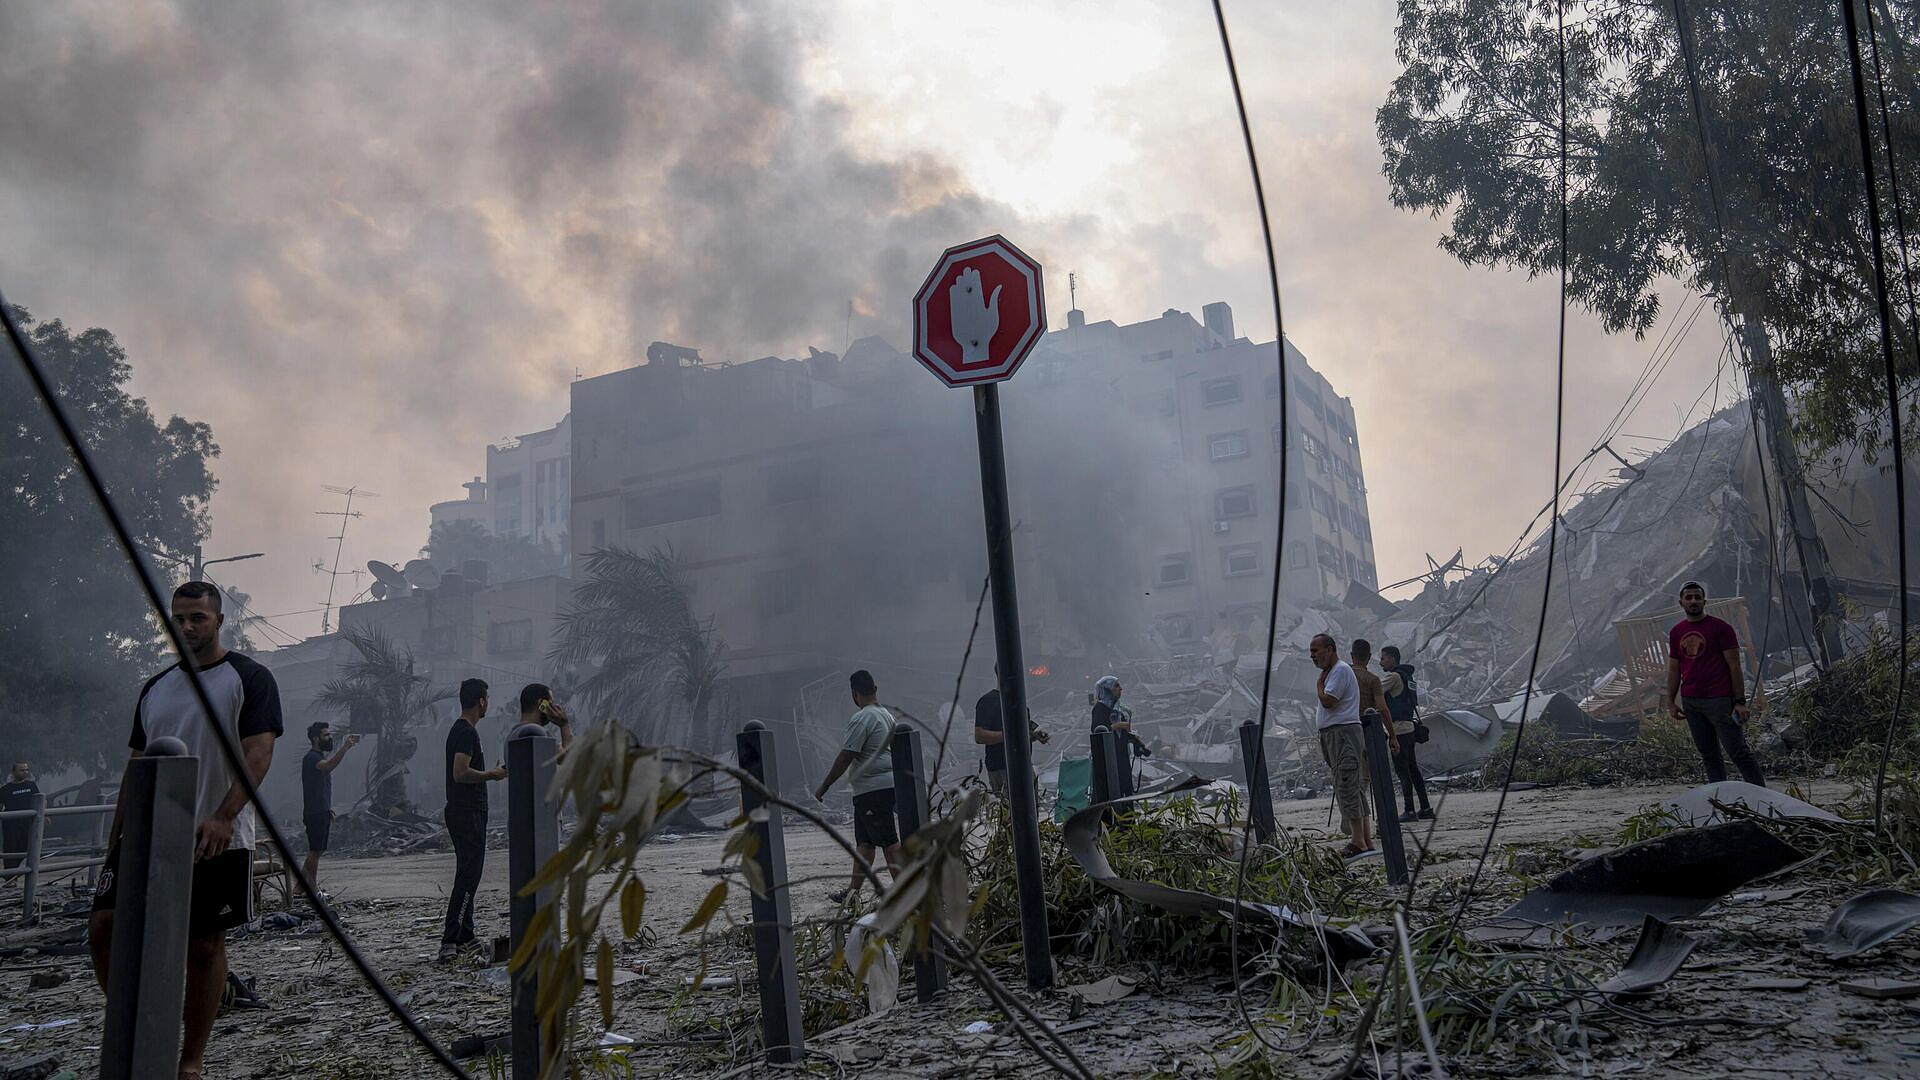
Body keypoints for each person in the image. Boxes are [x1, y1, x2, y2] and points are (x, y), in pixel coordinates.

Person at [89, 581, 283, 1080]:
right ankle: (140, 1023)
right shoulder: (156, 687)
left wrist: (223, 816)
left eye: (198, 617)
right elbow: (137, 763)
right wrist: (117, 835)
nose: (188, 627)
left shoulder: (249, 678)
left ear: (219, 620)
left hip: (214, 834)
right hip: (147, 835)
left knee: (202, 946)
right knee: (104, 929)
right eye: (179, 618)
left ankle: (190, 1060)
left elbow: (259, 753)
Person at [813, 670, 901, 904]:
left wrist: (825, 786)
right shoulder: (887, 716)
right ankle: (853, 894)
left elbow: (846, 755)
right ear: (875, 689)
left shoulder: (862, 718)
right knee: (865, 844)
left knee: (889, 842)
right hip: (880, 788)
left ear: (854, 693)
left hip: (873, 790)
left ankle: (906, 894)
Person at [1665, 581, 1765, 787]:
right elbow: (1674, 669)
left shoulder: (1721, 628)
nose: (1693, 601)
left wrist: (1739, 702)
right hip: (1691, 701)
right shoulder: (1676, 632)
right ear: (1681, 603)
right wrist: (1671, 702)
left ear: (1705, 601)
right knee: (1709, 755)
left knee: (1738, 752)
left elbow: (1734, 667)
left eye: (1697, 597)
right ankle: (1719, 797)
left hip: (1720, 700)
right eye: (1689, 597)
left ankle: (1761, 796)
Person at [441, 678, 505, 961]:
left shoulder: (462, 730)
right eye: (487, 699)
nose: (488, 704)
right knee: (468, 877)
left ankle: (465, 935)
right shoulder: (466, 732)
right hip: (467, 812)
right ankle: (451, 939)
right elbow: (460, 772)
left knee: (469, 875)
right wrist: (492, 775)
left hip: (467, 811)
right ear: (481, 702)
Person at [1310, 633, 1372, 858]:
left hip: (1342, 734)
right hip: (1335, 735)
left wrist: (1319, 685)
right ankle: (1365, 839)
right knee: (1352, 785)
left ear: (1330, 650)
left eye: (1315, 651)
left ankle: (1358, 842)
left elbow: (1329, 701)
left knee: (1346, 785)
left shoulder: (1339, 670)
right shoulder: (1334, 671)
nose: (1312, 656)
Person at [300, 722, 361, 893]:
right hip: (314, 813)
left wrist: (327, 809)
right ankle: (312, 887)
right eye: (326, 735)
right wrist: (345, 748)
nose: (330, 738)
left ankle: (299, 887)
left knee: (316, 851)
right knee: (315, 851)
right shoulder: (312, 757)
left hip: (321, 811)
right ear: (316, 738)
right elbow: (328, 766)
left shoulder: (317, 757)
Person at [973, 667, 1049, 797]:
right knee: (1010, 808)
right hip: (1003, 768)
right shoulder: (988, 701)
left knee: (1032, 807)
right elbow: (979, 736)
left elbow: (1023, 727)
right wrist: (1009, 736)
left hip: (1024, 765)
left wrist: (1036, 733)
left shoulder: (1017, 701)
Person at [1379, 646, 1433, 822]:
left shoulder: (1394, 677)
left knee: (1403, 771)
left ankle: (1409, 810)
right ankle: (1425, 808)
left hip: (1398, 730)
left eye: (1383, 658)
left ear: (1392, 659)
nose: (1381, 662)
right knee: (1413, 770)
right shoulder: (1408, 677)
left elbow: (1375, 690)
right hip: (1409, 728)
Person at [2, 762, 39, 875]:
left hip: (28, 824)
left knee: (28, 849)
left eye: (26, 770)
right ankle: (10, 877)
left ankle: (24, 875)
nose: (25, 772)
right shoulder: (5, 789)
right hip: (11, 826)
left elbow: (40, 801)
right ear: (14, 772)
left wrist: (45, 815)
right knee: (11, 850)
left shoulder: (31, 786)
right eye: (22, 770)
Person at [517, 683, 574, 756]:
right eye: (551, 703)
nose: (552, 708)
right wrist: (564, 725)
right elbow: (570, 758)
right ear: (541, 703)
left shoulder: (512, 736)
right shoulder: (537, 732)